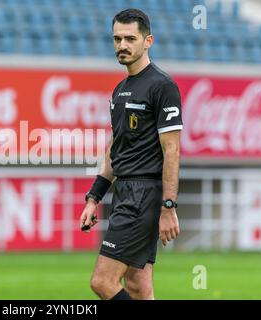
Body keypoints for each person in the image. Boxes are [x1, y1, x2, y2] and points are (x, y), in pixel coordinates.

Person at [80, 8, 182, 300]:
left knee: (102, 281)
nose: (122, 46)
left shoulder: (162, 86)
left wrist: (169, 206)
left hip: (144, 195)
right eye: (116, 39)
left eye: (129, 39)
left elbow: (172, 150)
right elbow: (116, 148)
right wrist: (94, 197)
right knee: (138, 286)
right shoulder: (120, 90)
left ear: (148, 41)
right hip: (124, 191)